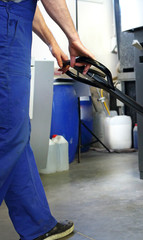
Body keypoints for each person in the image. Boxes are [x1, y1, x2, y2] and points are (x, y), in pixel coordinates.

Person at [0, 0, 94, 239]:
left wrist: (53, 43)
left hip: (12, 19)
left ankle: (37, 224)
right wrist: (74, 38)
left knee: (16, 134)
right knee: (8, 133)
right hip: (6, 27)